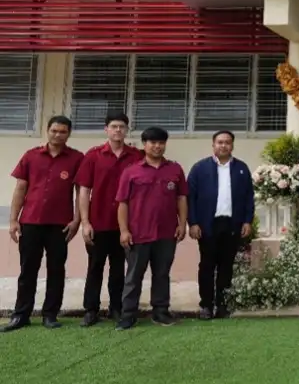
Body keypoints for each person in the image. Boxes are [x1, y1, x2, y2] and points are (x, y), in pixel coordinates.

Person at [2, 116, 83, 332]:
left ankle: (50, 314)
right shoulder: (31, 156)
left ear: (69, 134)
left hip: (60, 224)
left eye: (63, 131)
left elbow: (81, 192)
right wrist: (13, 220)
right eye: (54, 130)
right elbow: (20, 188)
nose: (58, 135)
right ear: (47, 131)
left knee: (56, 270)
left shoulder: (77, 158)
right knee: (27, 270)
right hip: (30, 222)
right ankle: (21, 315)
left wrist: (77, 220)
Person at [115, 126, 188, 330]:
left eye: (161, 143)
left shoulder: (175, 169)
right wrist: (124, 230)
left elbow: (181, 198)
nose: (157, 146)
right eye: (153, 142)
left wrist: (182, 223)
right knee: (133, 276)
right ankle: (128, 315)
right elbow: (123, 203)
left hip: (166, 233)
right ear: (144, 145)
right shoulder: (131, 171)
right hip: (138, 234)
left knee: (162, 274)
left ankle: (161, 312)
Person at [74, 111, 142, 327]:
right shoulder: (93, 156)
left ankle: (116, 307)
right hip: (98, 222)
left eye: (122, 126)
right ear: (106, 129)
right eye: (114, 126)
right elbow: (84, 190)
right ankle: (91, 309)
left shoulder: (136, 156)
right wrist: (85, 222)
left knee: (119, 268)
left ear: (127, 130)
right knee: (95, 267)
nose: (118, 130)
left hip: (125, 225)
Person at [187, 130, 255, 320]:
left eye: (227, 142)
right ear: (213, 145)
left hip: (232, 224)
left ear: (232, 145)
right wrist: (193, 223)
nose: (223, 145)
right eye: (220, 142)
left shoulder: (241, 168)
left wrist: (247, 220)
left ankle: (222, 304)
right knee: (207, 265)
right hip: (207, 224)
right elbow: (190, 198)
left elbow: (249, 197)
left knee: (226, 266)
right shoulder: (200, 168)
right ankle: (206, 305)